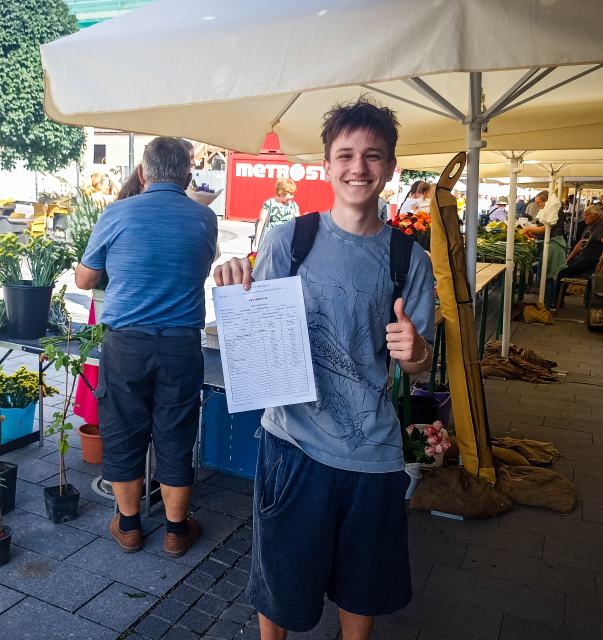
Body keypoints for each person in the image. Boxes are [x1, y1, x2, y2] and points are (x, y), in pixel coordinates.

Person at [214, 97, 435, 640]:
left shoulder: (410, 260)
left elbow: (420, 370)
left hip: (373, 453)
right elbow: (255, 336)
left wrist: (416, 352)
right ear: (327, 165)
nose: (359, 167)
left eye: (373, 155)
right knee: (281, 583)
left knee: (363, 587)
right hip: (293, 448)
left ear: (391, 166)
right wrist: (234, 286)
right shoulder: (289, 240)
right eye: (346, 154)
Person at [75, 137, 218, 558]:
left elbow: (84, 280)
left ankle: (130, 527)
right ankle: (175, 531)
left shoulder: (116, 213)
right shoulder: (204, 218)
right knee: (176, 432)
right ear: (187, 177)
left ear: (142, 173)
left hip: (126, 344)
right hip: (181, 345)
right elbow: (200, 264)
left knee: (122, 430)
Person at [554, 204, 603, 302]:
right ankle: (558, 300)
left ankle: (556, 302)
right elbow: (580, 245)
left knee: (563, 273)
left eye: (587, 215)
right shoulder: (590, 226)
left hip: (592, 259)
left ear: (596, 216)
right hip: (584, 258)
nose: (585, 217)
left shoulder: (601, 226)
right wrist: (568, 259)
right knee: (564, 270)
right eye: (584, 215)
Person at [253, 178, 299, 250]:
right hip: (271, 242)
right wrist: (256, 246)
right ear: (282, 192)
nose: (292, 197)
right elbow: (261, 224)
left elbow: (297, 225)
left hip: (287, 243)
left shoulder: (293, 206)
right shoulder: (269, 204)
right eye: (290, 194)